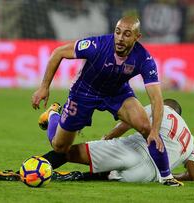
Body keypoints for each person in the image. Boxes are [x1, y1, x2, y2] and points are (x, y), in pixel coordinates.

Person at [31, 15, 180, 185]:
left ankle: (166, 177)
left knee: (146, 126)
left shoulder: (144, 58)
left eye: (127, 34)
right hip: (84, 92)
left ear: (137, 37)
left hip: (117, 92)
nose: (120, 38)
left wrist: (155, 130)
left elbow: (157, 99)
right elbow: (58, 53)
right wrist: (44, 87)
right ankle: (52, 115)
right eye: (118, 32)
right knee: (60, 147)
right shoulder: (97, 45)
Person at [0, 99, 194, 183]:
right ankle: (78, 175)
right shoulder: (191, 140)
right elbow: (193, 175)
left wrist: (107, 138)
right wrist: (172, 173)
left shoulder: (161, 108)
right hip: (147, 175)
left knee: (66, 150)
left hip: (129, 149)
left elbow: (128, 122)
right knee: (109, 176)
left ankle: (52, 115)